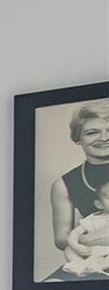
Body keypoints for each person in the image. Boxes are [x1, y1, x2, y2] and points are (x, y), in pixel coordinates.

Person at [49, 102, 109, 279]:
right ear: (77, 138)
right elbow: (62, 239)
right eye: (92, 132)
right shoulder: (64, 184)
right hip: (91, 256)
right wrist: (93, 238)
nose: (104, 137)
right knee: (53, 283)